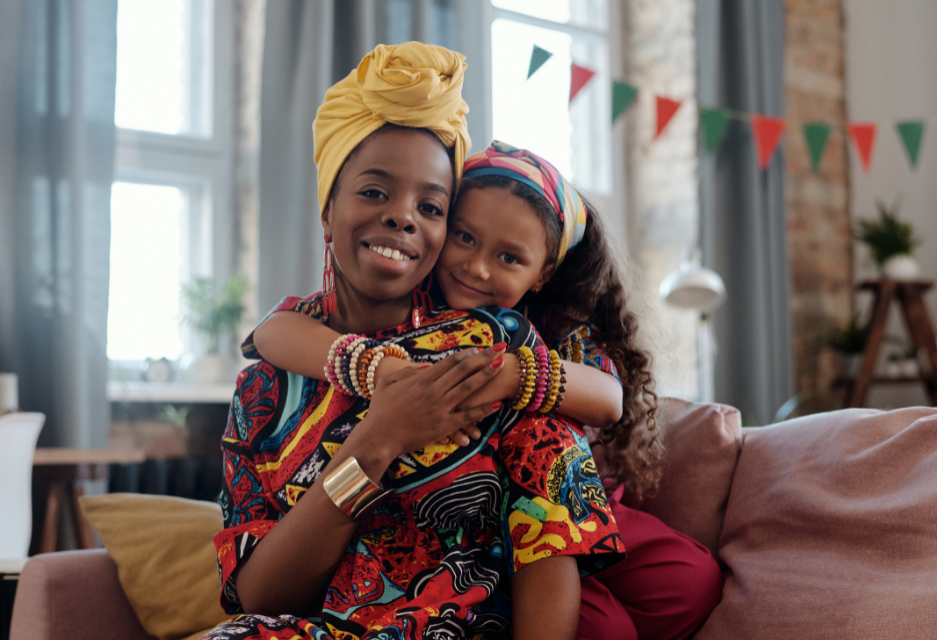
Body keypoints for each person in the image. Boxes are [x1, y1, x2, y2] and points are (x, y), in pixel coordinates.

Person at [202, 43, 624, 640]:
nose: (402, 217)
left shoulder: (485, 351)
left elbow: (556, 498)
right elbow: (259, 596)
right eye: (374, 192)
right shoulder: (264, 389)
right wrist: (377, 440)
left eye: (430, 205)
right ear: (328, 211)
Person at [250, 141, 723, 640]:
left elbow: (608, 399)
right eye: (464, 238)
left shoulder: (554, 328)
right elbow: (270, 331)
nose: (477, 268)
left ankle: (571, 577)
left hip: (574, 504)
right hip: (474, 524)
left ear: (543, 273)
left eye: (508, 257)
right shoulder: (410, 306)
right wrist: (376, 368)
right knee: (603, 628)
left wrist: (514, 375)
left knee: (690, 581)